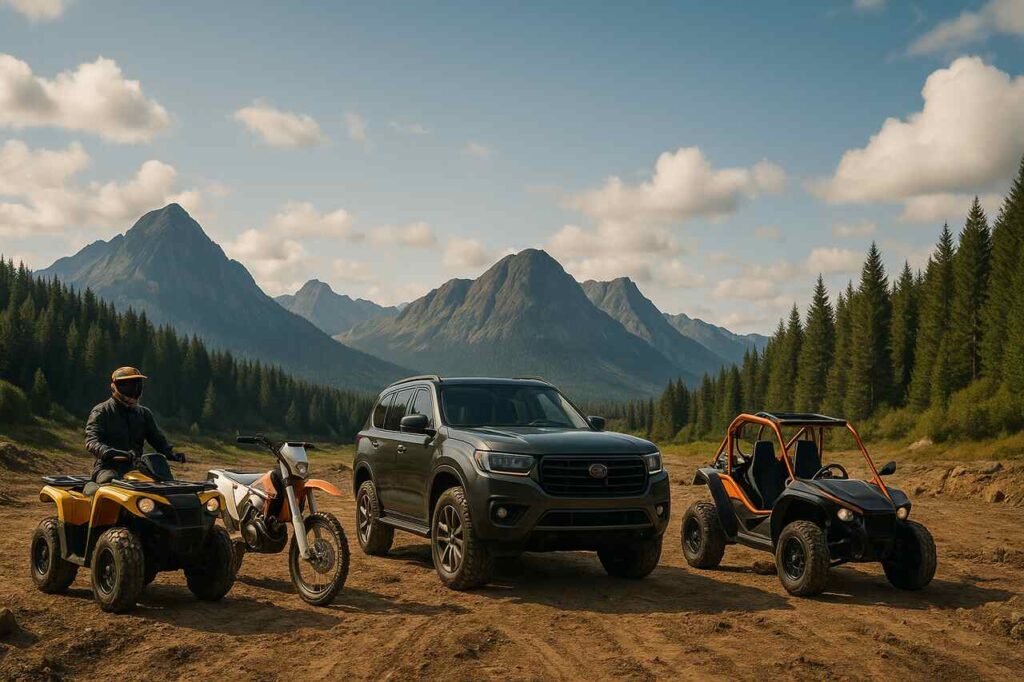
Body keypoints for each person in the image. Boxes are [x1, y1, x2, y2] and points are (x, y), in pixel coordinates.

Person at [85, 367, 184, 485]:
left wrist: (170, 453)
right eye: (127, 385)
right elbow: (91, 440)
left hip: (136, 466)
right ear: (115, 386)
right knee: (108, 485)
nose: (133, 389)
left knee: (165, 484)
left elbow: (157, 439)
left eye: (136, 384)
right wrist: (107, 451)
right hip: (108, 467)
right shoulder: (102, 411)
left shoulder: (143, 413)